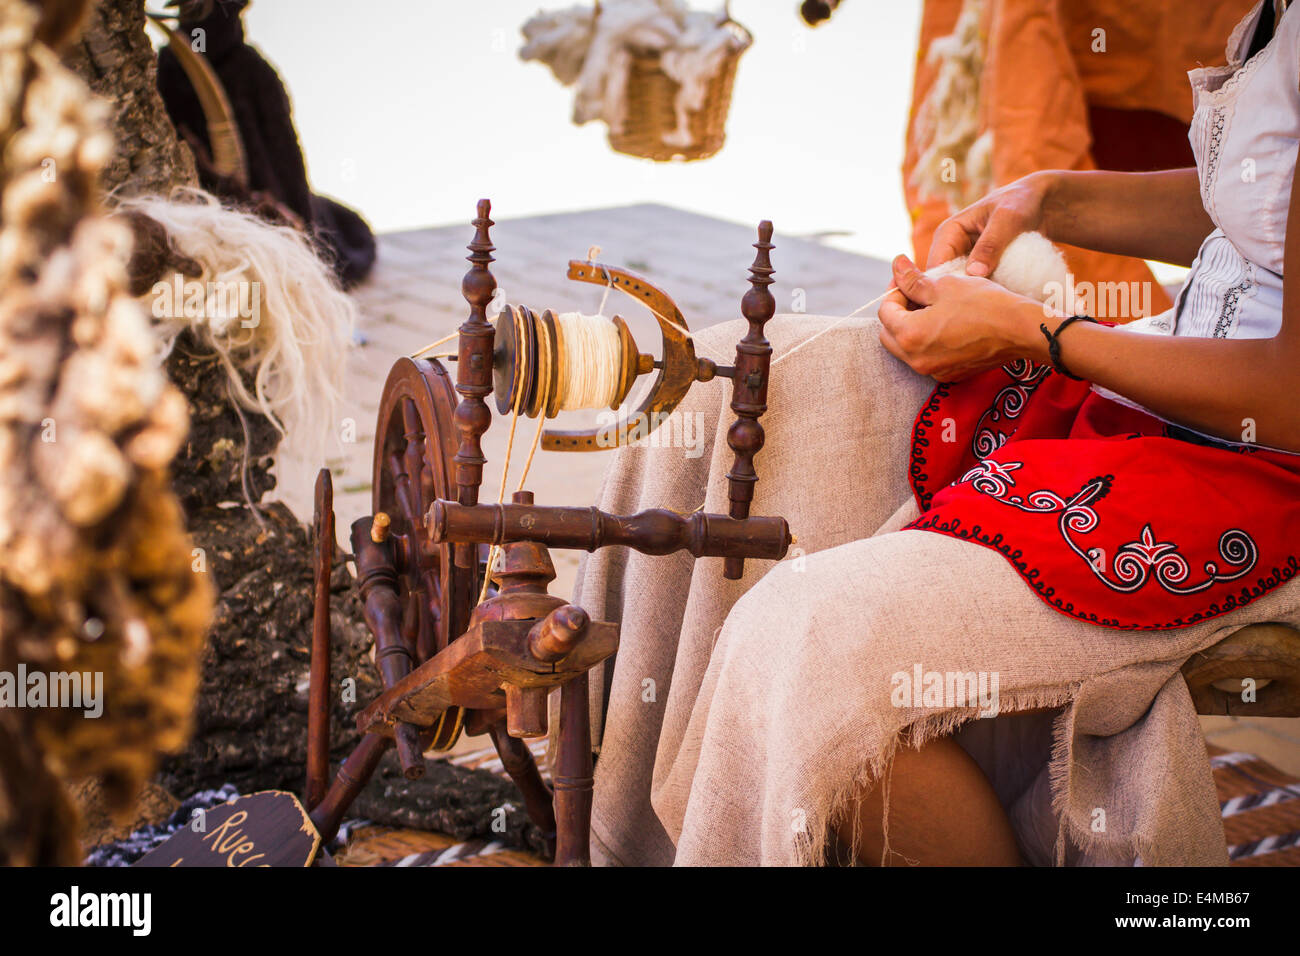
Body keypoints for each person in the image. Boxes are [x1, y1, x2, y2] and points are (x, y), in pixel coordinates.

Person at [576, 0, 1300, 865]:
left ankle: (827, 741)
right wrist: (1044, 200)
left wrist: (1041, 336)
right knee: (730, 399)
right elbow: (1258, 202)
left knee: (804, 639)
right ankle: (644, 837)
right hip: (1165, 383)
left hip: (1256, 464)